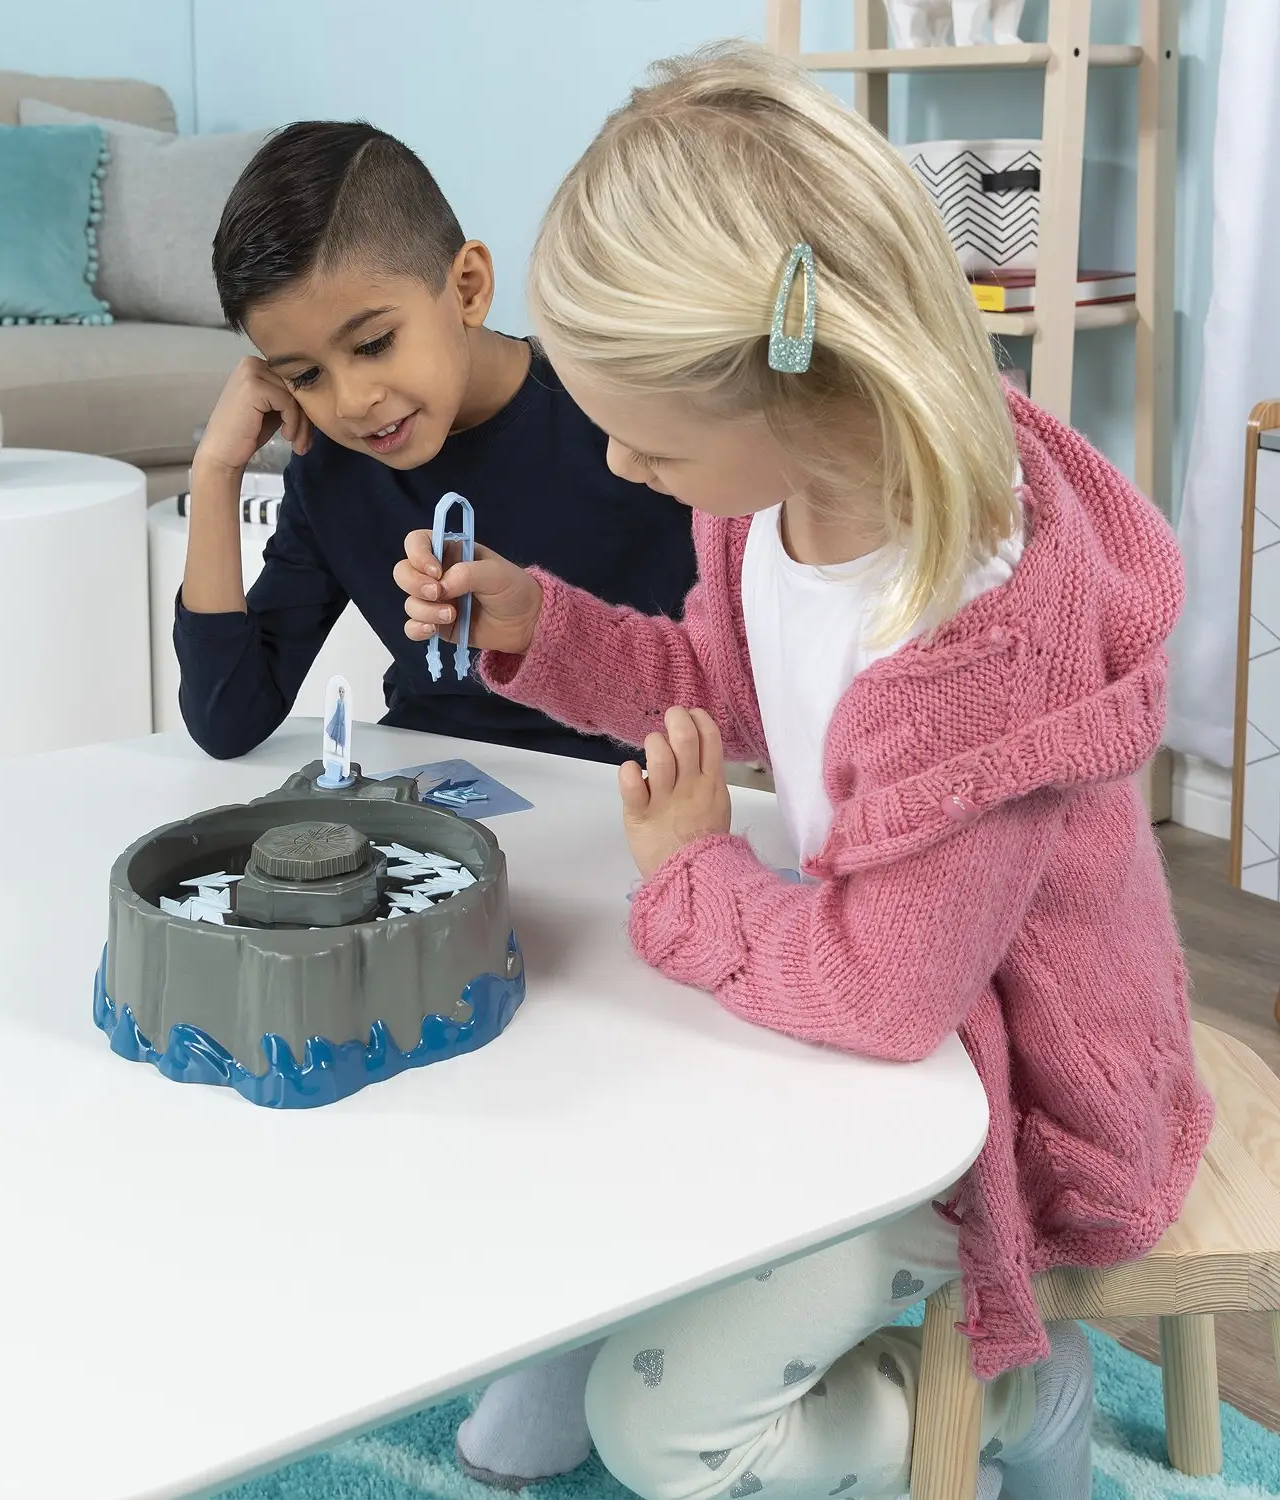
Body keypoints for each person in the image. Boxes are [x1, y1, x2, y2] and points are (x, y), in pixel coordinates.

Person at [394, 43, 1210, 1500]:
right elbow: (728, 687)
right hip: (891, 995)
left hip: (1008, 1107)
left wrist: (699, 873)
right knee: (591, 1091)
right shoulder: (776, 505)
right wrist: (540, 627)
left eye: (647, 445)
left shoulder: (973, 637)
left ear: (796, 389)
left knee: (662, 1433)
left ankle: (1025, 1401)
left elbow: (889, 996)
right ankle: (586, 1332)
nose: (622, 472)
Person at [176, 120, 697, 764]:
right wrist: (215, 471)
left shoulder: (620, 414)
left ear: (467, 288)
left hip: (630, 795)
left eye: (373, 344)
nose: (351, 401)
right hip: (424, 791)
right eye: (305, 376)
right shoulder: (332, 472)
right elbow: (226, 719)